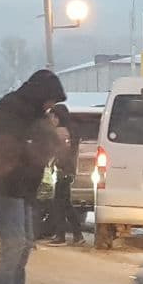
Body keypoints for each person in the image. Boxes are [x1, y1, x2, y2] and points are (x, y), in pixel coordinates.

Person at [0, 69, 66, 284]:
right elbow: (12, 147)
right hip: (6, 186)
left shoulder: (32, 113)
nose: (52, 106)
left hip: (23, 189)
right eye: (51, 99)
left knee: (25, 242)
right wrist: (42, 139)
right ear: (41, 94)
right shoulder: (11, 110)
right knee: (14, 243)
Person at [46, 104, 85, 246]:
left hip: (63, 171)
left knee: (59, 204)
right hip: (69, 171)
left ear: (57, 117)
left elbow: (59, 152)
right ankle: (77, 235)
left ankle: (61, 236)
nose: (51, 120)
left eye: (52, 117)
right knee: (66, 204)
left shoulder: (60, 132)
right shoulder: (71, 130)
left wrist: (53, 162)